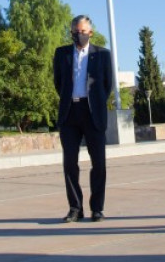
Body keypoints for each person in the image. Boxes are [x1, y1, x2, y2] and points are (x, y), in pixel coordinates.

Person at [53, 15, 114, 222]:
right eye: (76, 32)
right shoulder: (62, 54)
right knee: (70, 163)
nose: (79, 35)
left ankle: (97, 208)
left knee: (99, 163)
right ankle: (75, 208)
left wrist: (95, 102)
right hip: (70, 112)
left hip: (93, 113)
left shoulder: (103, 55)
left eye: (83, 31)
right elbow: (58, 83)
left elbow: (107, 85)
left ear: (91, 32)